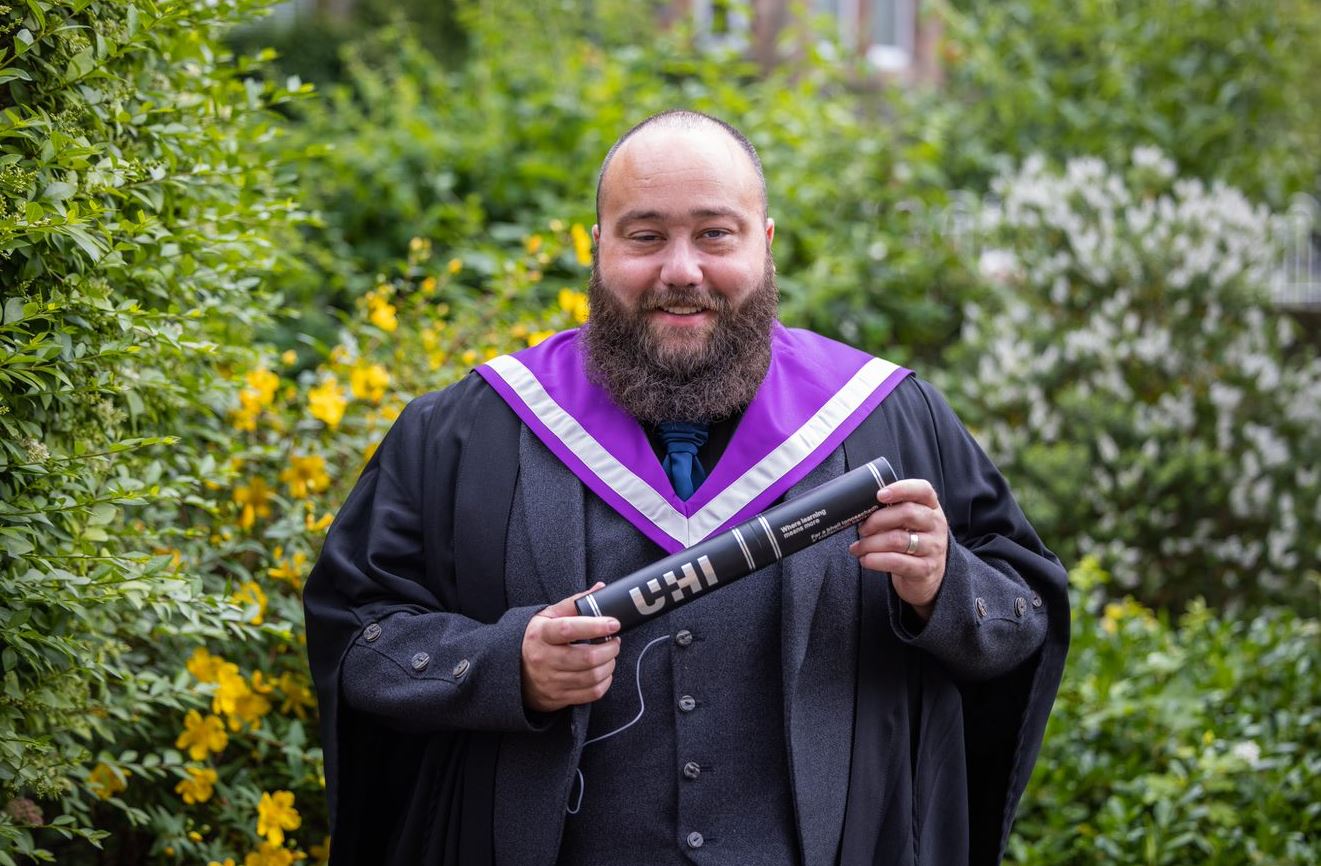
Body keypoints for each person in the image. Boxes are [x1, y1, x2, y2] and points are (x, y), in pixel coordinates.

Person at [304, 109, 1068, 866]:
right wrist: (506, 666)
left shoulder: (887, 419)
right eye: (644, 236)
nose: (680, 270)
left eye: (714, 234)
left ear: (764, 245)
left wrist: (940, 584)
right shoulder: (468, 431)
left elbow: (1021, 613)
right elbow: (360, 634)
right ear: (596, 247)